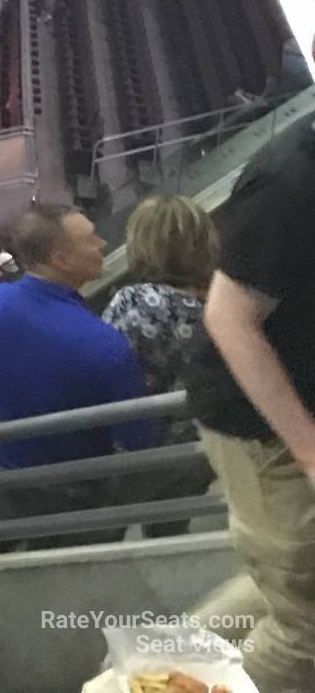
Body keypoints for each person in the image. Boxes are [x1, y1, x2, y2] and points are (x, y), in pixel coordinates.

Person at [191, 117, 315, 693]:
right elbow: (228, 317)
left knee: (290, 584)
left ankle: (144, 676)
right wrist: (310, 453)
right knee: (308, 632)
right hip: (266, 429)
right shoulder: (293, 178)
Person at [0, 204, 156, 539]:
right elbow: (138, 443)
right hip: (77, 506)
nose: (103, 244)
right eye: (91, 240)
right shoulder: (104, 345)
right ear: (59, 258)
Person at [103, 193, 219, 534]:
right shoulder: (225, 305)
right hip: (205, 444)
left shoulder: (134, 303)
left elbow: (111, 373)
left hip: (150, 448)